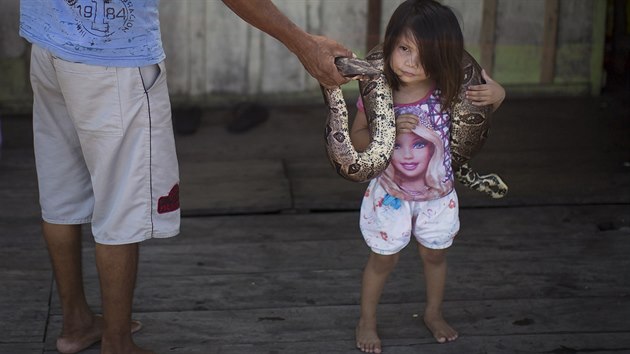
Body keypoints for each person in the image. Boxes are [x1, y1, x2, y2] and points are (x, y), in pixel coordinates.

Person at [19, 0, 352, 353]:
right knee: (123, 205)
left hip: (47, 43)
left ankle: (76, 323)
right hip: (112, 59)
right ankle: (117, 343)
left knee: (61, 192)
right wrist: (304, 44)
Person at [349, 0, 505, 352]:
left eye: (424, 54)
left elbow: (486, 106)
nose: (411, 62)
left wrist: (500, 94)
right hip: (389, 197)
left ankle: (433, 313)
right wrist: (384, 131)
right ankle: (367, 319)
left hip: (438, 197)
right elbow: (358, 139)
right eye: (404, 48)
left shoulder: (448, 90)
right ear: (390, 44)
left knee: (435, 255)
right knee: (383, 260)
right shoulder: (379, 94)